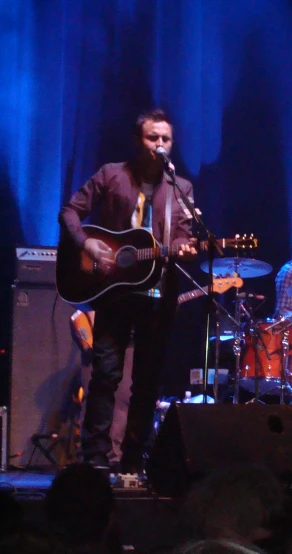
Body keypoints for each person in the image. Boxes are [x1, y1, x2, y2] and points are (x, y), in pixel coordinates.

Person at [58, 108, 198, 474]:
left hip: (158, 296)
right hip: (113, 291)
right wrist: (86, 244)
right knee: (106, 374)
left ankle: (134, 460)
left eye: (166, 139)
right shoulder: (112, 174)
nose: (161, 145)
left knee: (147, 382)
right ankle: (95, 457)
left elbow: (182, 234)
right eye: (154, 138)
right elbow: (70, 212)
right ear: (139, 141)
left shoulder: (181, 188)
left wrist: (185, 245)